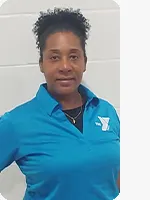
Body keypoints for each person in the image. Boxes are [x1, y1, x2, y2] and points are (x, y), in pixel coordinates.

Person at [0, 8, 120, 200]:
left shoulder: (106, 111)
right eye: (54, 57)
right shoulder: (16, 123)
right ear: (41, 64)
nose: (65, 66)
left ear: (84, 62)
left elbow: (116, 174)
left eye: (73, 56)